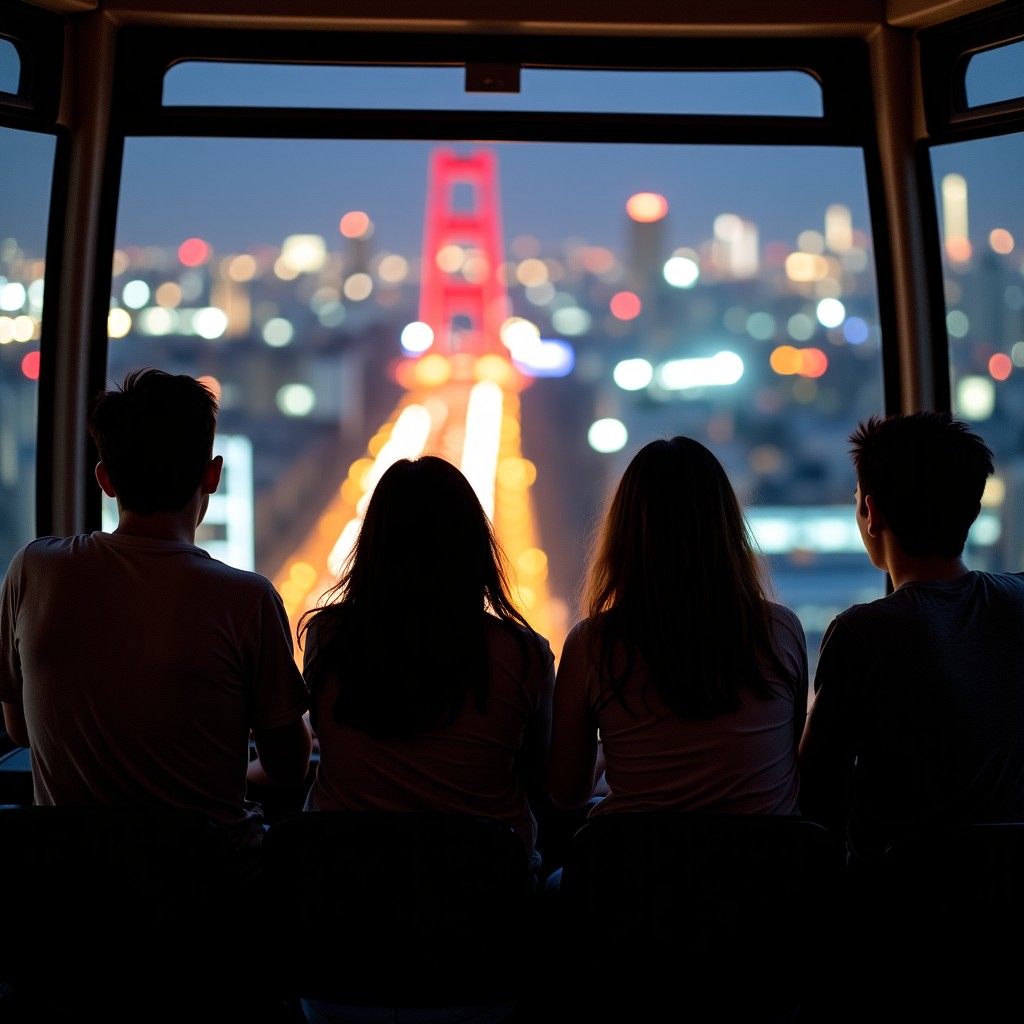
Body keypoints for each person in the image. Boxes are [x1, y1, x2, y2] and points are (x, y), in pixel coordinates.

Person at [0, 368, 312, 882]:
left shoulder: (32, 570)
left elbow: (19, 729)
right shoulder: (246, 599)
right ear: (212, 475)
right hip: (208, 885)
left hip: (66, 885)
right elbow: (289, 766)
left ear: (104, 479)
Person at [297, 454, 555, 1024]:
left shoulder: (327, 638)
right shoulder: (522, 654)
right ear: (474, 548)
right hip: (481, 965)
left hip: (338, 966)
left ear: (374, 545)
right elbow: (546, 781)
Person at [798, 410, 1024, 866]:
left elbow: (817, 791)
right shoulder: (1019, 600)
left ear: (870, 512)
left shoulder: (861, 633)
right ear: (974, 512)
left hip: (902, 896)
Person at [546, 435, 807, 823]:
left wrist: (608, 749)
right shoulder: (780, 631)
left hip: (638, 875)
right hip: (762, 877)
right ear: (728, 530)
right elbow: (789, 759)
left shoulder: (592, 644)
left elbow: (567, 794)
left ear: (623, 537)